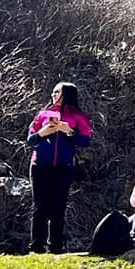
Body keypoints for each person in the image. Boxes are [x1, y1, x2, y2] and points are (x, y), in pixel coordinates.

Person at [26, 81, 92, 254]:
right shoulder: (43, 114)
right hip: (39, 165)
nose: (53, 95)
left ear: (67, 95)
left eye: (57, 92)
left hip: (64, 166)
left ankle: (56, 246)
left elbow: (85, 141)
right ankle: (36, 247)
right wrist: (43, 133)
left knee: (59, 206)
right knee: (39, 206)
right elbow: (30, 140)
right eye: (53, 92)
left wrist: (69, 132)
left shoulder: (79, 116)